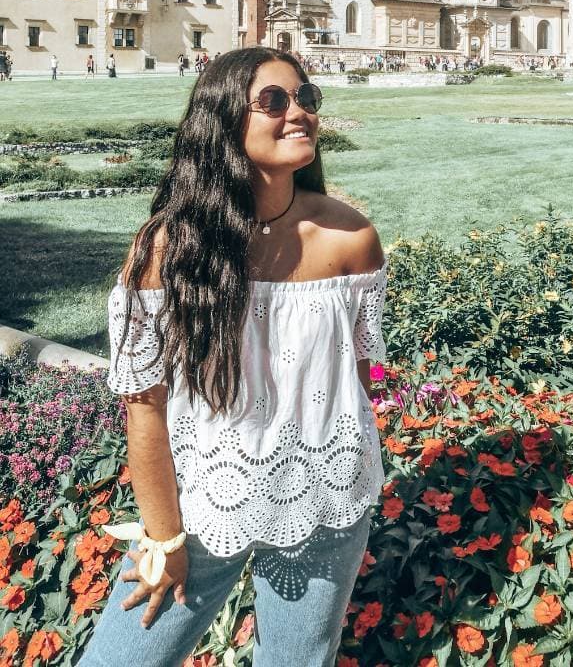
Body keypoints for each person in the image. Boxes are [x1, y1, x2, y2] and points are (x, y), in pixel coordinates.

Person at [79, 48, 387, 667]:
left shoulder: (352, 239)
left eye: (307, 98)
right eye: (274, 101)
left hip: (325, 495)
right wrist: (165, 538)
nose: (298, 112)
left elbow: (359, 375)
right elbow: (145, 408)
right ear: (224, 121)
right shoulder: (170, 248)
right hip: (202, 504)